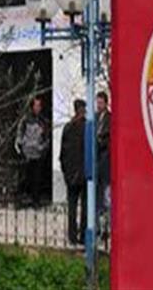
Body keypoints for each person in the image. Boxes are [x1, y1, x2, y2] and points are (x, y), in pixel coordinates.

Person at [15, 96, 49, 208]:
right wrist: (21, 147)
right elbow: (19, 134)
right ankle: (21, 200)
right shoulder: (25, 120)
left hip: (38, 154)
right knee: (24, 178)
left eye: (39, 106)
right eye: (36, 105)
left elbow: (46, 137)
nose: (38, 108)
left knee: (37, 180)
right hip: (26, 153)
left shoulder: (43, 121)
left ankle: (36, 201)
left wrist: (42, 148)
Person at [60, 99, 86, 245]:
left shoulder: (68, 127)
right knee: (84, 206)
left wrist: (66, 171)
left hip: (71, 174)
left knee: (72, 206)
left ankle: (72, 236)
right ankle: (82, 235)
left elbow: (63, 153)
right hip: (83, 173)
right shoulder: (87, 127)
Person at [96, 91, 111, 216]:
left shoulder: (110, 118)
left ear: (106, 103)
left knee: (106, 190)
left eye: (101, 103)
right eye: (97, 103)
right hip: (96, 159)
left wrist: (101, 139)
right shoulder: (95, 117)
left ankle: (106, 215)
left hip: (105, 158)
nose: (98, 105)